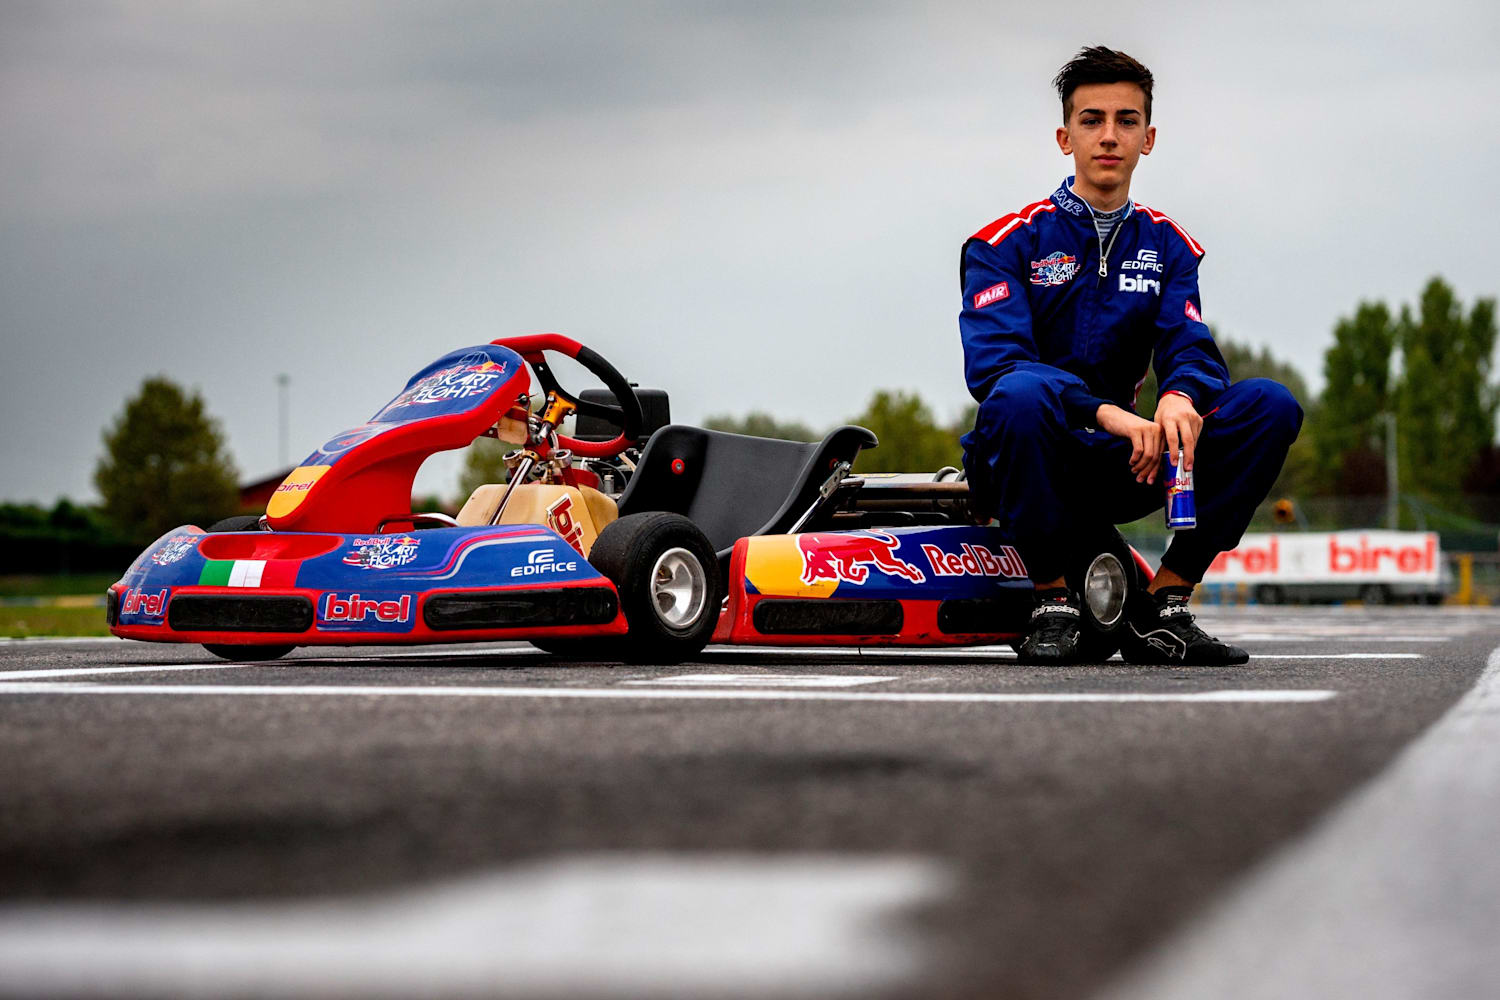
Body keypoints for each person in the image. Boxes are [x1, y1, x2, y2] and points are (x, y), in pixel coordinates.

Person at [958, 46, 1303, 665]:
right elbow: (996, 366)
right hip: (1030, 459)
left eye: (1125, 120)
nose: (1109, 136)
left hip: (1129, 464)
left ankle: (1163, 606)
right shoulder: (1002, 243)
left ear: (1149, 137)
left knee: (1270, 406)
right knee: (1018, 395)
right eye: (1092, 121)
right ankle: (1051, 600)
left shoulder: (1171, 245)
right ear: (1065, 138)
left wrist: (1179, 397)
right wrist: (1108, 414)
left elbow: (1190, 348)